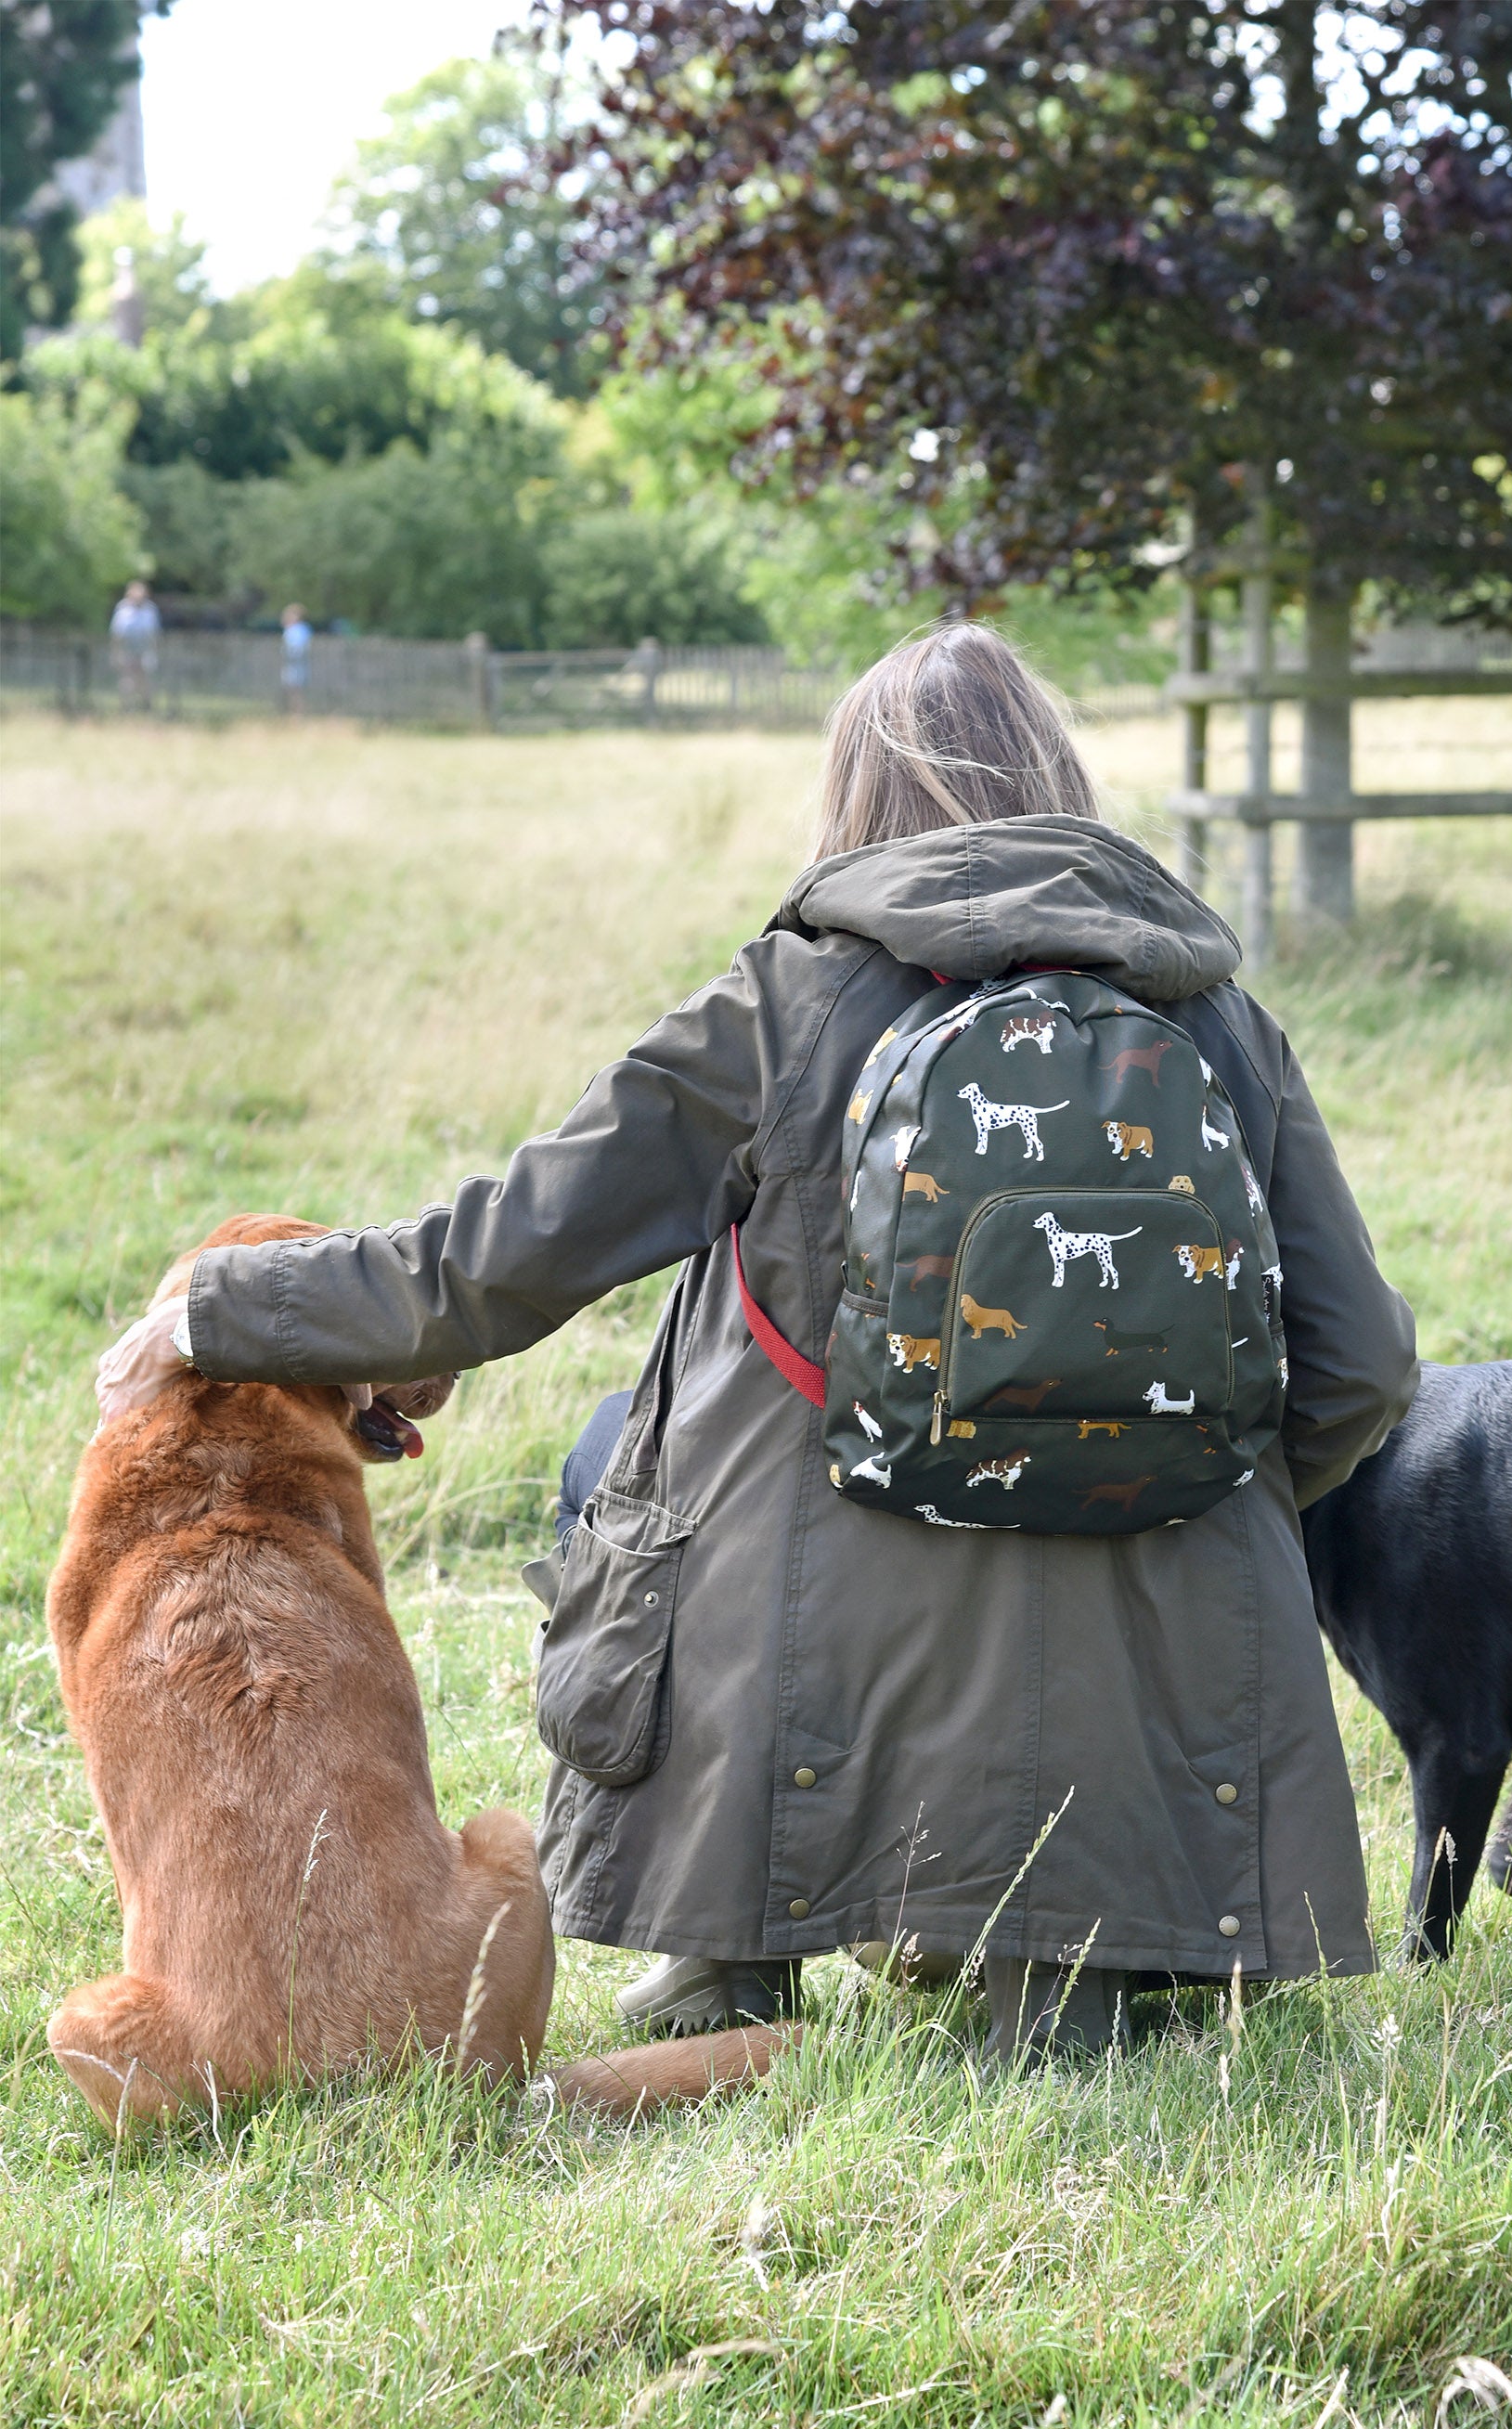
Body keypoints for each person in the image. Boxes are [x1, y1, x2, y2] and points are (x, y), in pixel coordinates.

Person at [95, 625, 1418, 2069]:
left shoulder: (787, 1001)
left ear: (855, 800)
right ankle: (1070, 1979)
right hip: (1150, 1640)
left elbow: (504, 1255)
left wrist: (220, 1311)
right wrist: (1169, 1478)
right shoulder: (1217, 1019)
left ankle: (723, 1960)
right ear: (1059, 776)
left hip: (819, 1626)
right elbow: (1355, 1366)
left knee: (677, 1424)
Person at [109, 579, 161, 709]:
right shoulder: (123, 609)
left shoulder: (150, 610)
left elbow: (154, 634)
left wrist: (154, 652)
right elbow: (116, 634)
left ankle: (146, 706)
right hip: (127, 649)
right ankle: (126, 706)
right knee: (127, 679)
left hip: (144, 649)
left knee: (144, 679)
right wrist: (116, 653)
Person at [280, 605, 313, 716]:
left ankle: (298, 714)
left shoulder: (300, 630)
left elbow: (299, 649)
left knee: (297, 690)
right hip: (290, 663)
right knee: (290, 690)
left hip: (297, 663)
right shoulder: (289, 630)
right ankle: (292, 713)